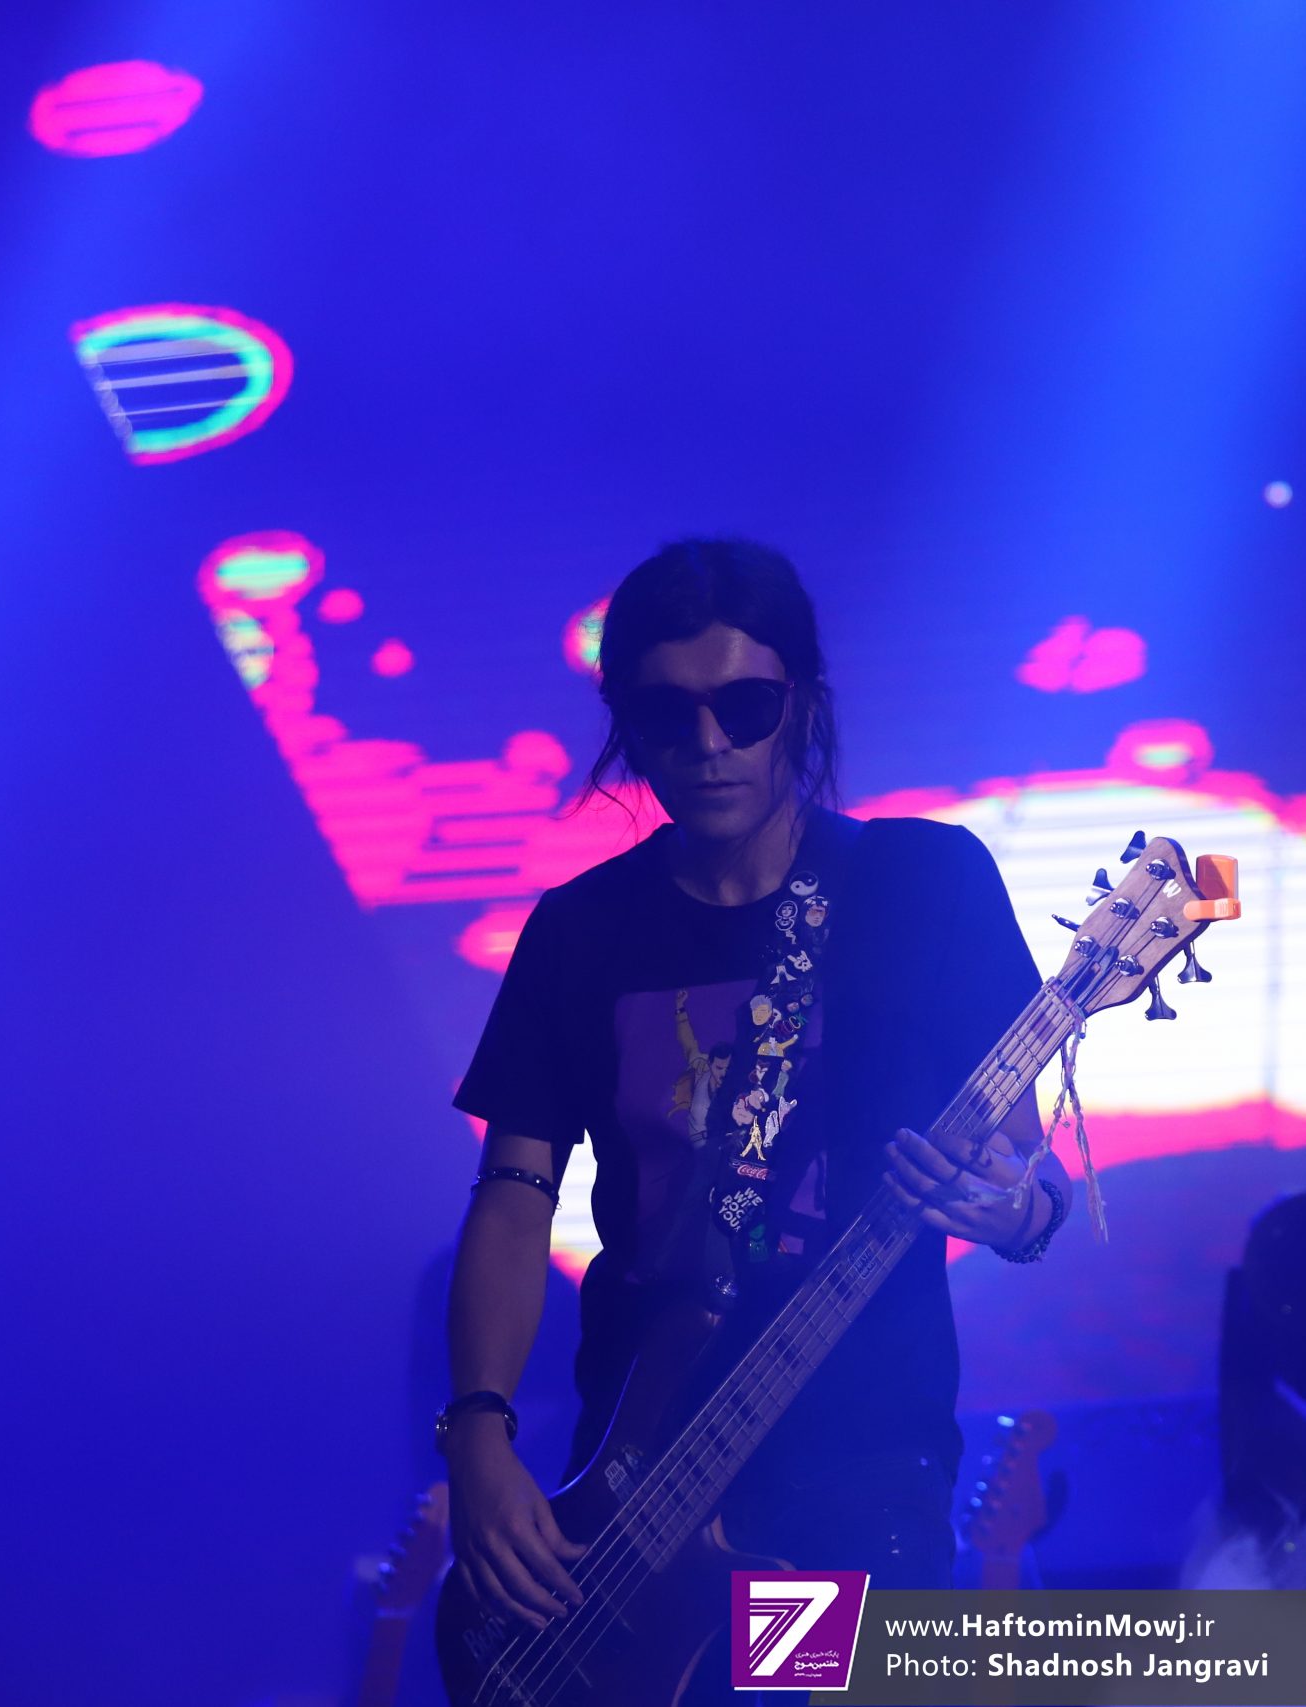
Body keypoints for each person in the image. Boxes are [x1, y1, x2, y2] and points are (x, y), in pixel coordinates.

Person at [438, 539, 1069, 1642]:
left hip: (858, 1473)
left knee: (815, 1691)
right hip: (632, 1480)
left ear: (803, 703)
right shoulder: (580, 931)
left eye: (744, 707)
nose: (708, 745)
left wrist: (1017, 1208)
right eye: (666, 714)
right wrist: (478, 1439)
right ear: (626, 722)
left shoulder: (921, 884)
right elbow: (513, 1193)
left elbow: (1026, 1169)